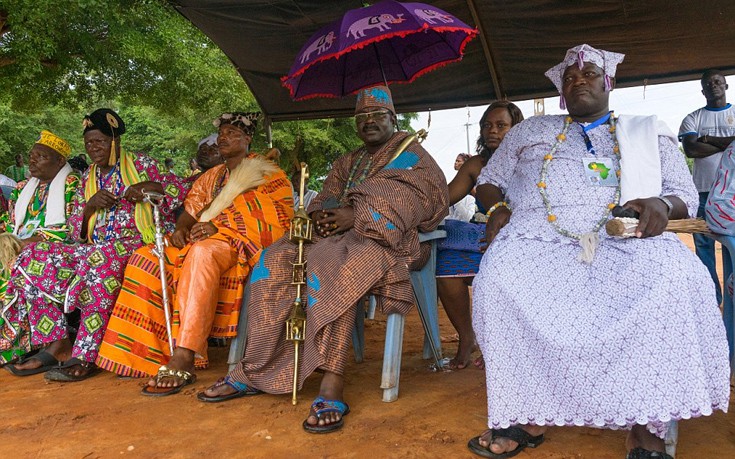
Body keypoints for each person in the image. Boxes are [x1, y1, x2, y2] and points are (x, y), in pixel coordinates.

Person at [468, 44, 729, 459]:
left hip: (624, 233)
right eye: (569, 77)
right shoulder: (528, 132)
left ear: (609, 82)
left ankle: (646, 426)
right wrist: (497, 207)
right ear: (560, 91)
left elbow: (681, 195)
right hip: (537, 235)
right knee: (498, 279)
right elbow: (490, 180)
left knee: (676, 278)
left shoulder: (647, 129)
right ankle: (528, 411)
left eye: (589, 73)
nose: (578, 80)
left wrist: (661, 206)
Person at [198, 85, 448, 434]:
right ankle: (255, 369)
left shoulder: (412, 156)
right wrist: (322, 216)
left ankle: (333, 378)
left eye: (378, 116)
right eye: (362, 118)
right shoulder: (348, 160)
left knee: (333, 267)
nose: (369, 122)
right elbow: (325, 197)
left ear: (393, 119)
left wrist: (356, 215)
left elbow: (414, 199)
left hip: (381, 240)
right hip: (333, 235)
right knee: (272, 261)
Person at [96, 112, 294, 395]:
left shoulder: (271, 174)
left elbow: (277, 219)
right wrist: (179, 230)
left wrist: (217, 226)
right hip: (199, 238)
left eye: (232, 133)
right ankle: (146, 353)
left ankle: (185, 354)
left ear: (248, 139)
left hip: (238, 246)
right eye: (221, 133)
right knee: (145, 256)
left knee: (201, 253)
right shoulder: (212, 176)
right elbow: (190, 212)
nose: (224, 138)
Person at [0, 109, 187, 381]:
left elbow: (179, 193)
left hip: (134, 242)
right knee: (31, 256)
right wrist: (89, 207)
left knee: (100, 261)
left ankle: (86, 353)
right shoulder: (88, 176)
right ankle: (58, 343)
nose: (94, 148)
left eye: (100, 141)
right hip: (93, 247)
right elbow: (76, 230)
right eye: (89, 143)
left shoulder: (143, 164)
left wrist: (149, 187)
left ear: (115, 140)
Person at [436, 101, 523, 370]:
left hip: (522, 238)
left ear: (516, 129)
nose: (492, 131)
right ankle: (467, 338)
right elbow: (446, 197)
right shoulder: (477, 164)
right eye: (487, 125)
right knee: (444, 268)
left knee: (503, 266)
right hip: (484, 235)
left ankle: (498, 344)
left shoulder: (531, 160)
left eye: (501, 126)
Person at [0, 130, 81, 366]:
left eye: (41, 156)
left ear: (60, 161)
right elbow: (10, 223)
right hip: (16, 244)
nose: (32, 160)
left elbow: (72, 230)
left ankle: (14, 346)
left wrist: (25, 242)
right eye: (31, 155)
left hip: (55, 251)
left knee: (14, 265)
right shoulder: (22, 187)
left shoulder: (71, 184)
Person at [679, 70, 735, 305]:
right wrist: (730, 142)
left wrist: (707, 139)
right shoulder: (692, 118)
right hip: (702, 192)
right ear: (702, 91)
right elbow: (691, 150)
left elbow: (699, 144)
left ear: (726, 86)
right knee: (704, 246)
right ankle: (712, 299)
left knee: (731, 244)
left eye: (717, 82)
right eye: (708, 84)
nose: (713, 86)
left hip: (732, 194)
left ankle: (731, 297)